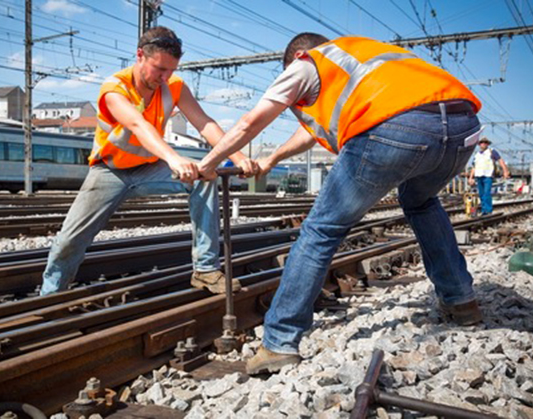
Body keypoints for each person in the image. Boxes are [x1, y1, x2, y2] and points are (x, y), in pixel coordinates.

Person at [198, 33, 486, 375]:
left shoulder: (308, 62)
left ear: (300, 55)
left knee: (321, 228)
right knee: (421, 201)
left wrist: (207, 164)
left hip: (397, 127)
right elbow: (310, 134)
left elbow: (251, 122)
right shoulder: (369, 59)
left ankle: (279, 342)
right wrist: (273, 158)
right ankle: (460, 299)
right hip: (462, 128)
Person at [40, 26, 258, 296]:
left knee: (205, 177)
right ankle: (50, 297)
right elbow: (138, 125)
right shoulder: (114, 89)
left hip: (150, 169)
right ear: (140, 55)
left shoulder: (174, 86)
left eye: (171, 70)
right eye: (160, 69)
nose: (165, 77)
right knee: (70, 239)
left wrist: (238, 156)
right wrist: (174, 159)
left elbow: (205, 123)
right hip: (109, 172)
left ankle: (205, 269)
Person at [468, 137, 510, 215]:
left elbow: (500, 160)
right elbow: (474, 167)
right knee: (481, 194)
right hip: (478, 176)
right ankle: (484, 210)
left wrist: (505, 171)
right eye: (482, 142)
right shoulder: (477, 155)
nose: (483, 144)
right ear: (479, 144)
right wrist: (471, 177)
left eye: (485, 143)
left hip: (488, 176)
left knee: (487, 193)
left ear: (487, 144)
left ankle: (488, 210)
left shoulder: (492, 152)